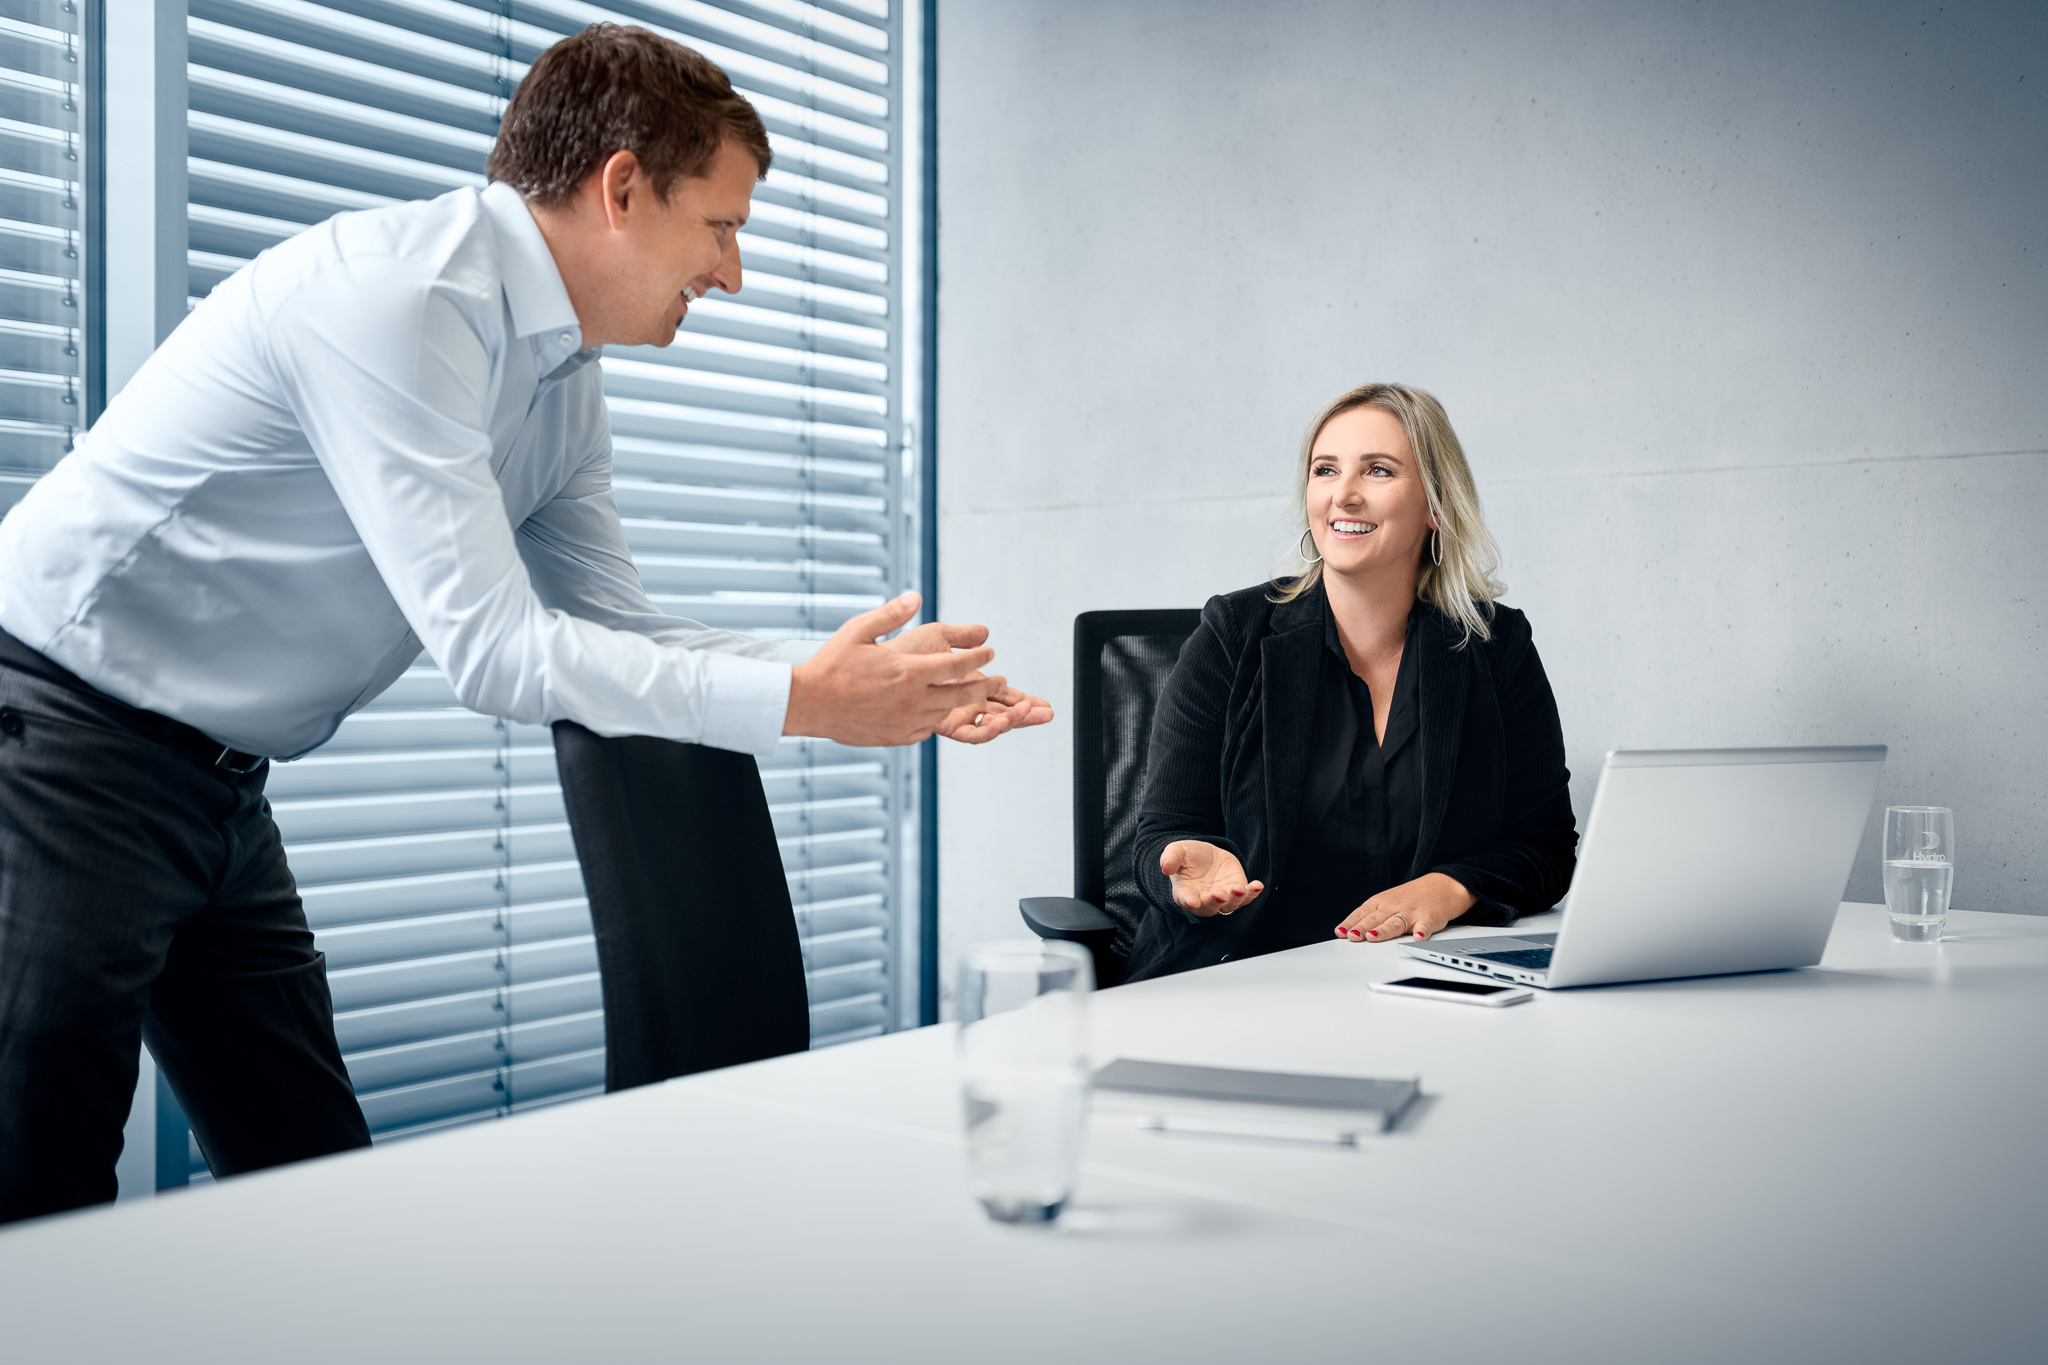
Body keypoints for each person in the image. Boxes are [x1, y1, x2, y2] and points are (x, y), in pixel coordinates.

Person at [0, 25, 1048, 1225]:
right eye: (721, 225)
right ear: (620, 187)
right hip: (59, 739)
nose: (733, 273)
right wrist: (809, 703)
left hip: (219, 783)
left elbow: (616, 626)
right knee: (38, 1195)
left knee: (306, 1180)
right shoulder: (397, 300)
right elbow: (496, 656)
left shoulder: (559, 376)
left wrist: (855, 683)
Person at [1121, 383, 1575, 982]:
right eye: (1325, 470)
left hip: (1417, 987)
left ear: (1436, 505)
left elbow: (1543, 845)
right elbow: (1163, 833)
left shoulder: (1495, 647)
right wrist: (1181, 873)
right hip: (1243, 979)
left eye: (1378, 470)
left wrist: (1447, 890)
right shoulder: (1233, 634)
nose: (1344, 495)